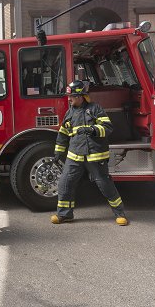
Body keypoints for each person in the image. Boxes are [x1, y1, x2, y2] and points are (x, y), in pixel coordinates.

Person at [51, 80, 128, 226]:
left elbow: (108, 127)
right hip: (75, 155)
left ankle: (120, 213)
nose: (69, 99)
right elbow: (63, 133)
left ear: (80, 96)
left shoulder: (95, 109)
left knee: (105, 184)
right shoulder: (70, 112)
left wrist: (92, 130)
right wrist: (58, 152)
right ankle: (64, 215)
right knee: (64, 183)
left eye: (72, 96)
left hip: (95, 155)